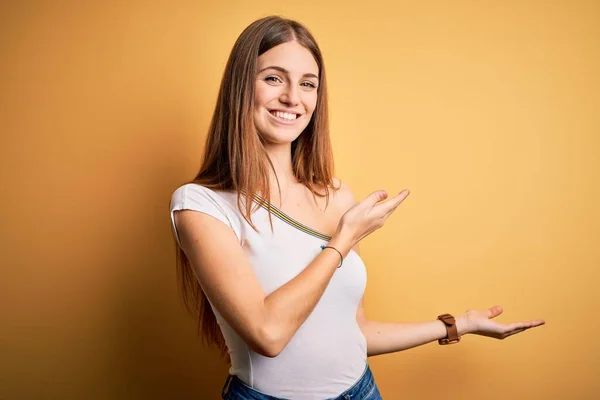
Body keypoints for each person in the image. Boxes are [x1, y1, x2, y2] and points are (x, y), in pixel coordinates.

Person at [169, 16, 545, 400]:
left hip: (361, 392)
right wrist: (343, 239)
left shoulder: (336, 196)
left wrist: (459, 324)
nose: (292, 98)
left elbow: (354, 332)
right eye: (273, 78)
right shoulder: (201, 205)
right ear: (240, 87)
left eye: (307, 84)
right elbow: (268, 334)